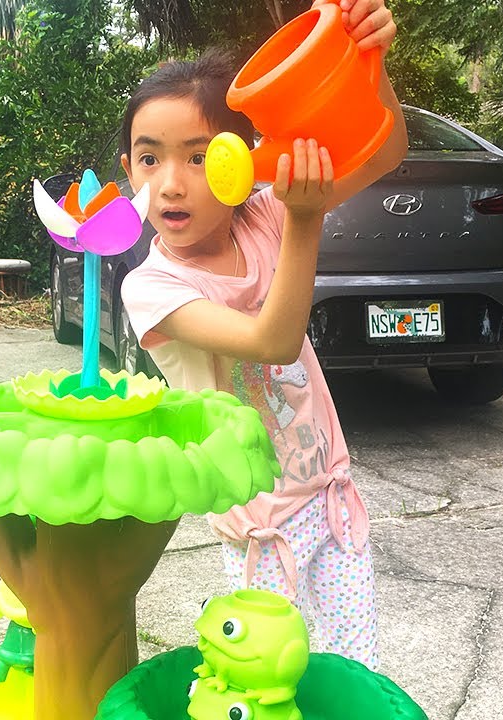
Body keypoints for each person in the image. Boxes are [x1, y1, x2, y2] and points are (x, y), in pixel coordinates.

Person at [119, 0, 407, 669]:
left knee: (349, 669)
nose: (171, 184)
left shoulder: (264, 215)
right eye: (148, 158)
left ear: (236, 161)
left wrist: (369, 59)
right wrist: (305, 221)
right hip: (258, 525)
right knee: (269, 674)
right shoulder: (154, 288)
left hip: (330, 494)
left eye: (197, 157)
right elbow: (273, 342)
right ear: (128, 170)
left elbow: (385, 148)